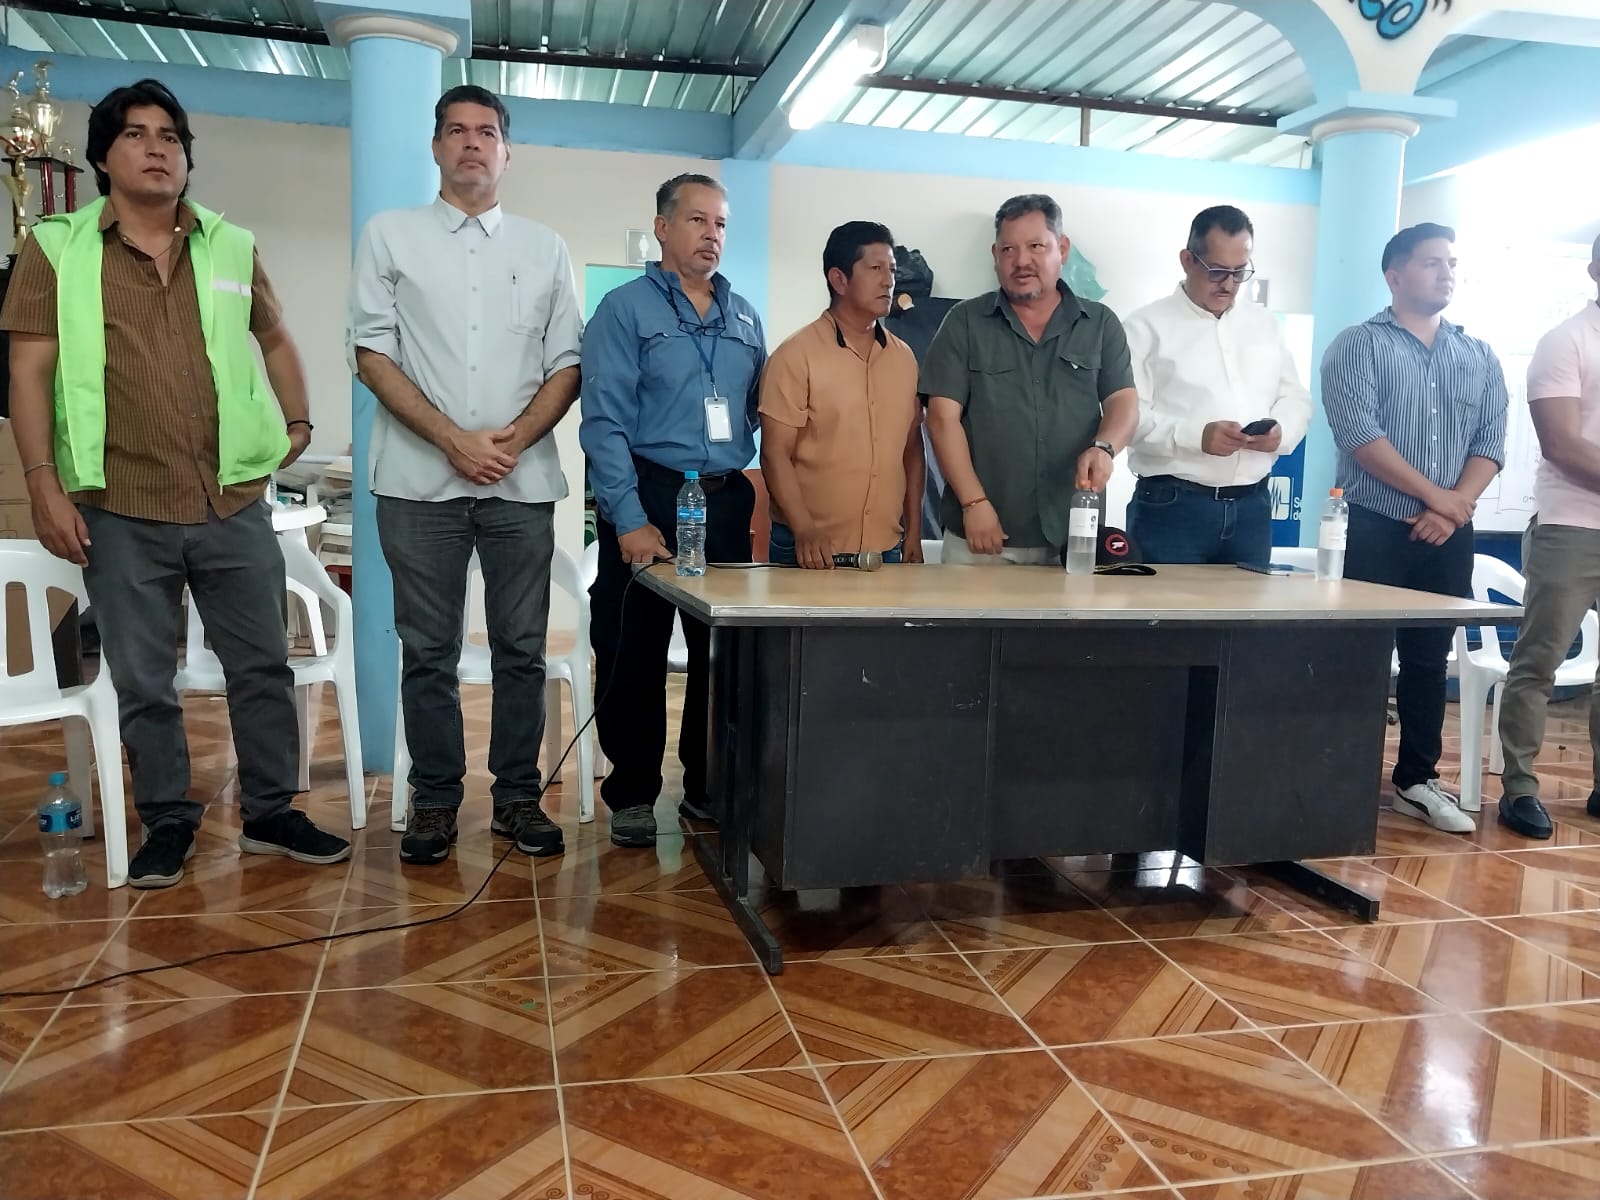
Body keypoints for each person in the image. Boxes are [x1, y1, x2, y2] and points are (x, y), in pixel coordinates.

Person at [1, 79, 349, 887]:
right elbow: (28, 371)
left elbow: (275, 338)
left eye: (171, 137)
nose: (157, 149)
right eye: (136, 134)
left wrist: (298, 424)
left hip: (229, 498)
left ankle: (271, 812)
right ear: (102, 157)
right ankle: (167, 819)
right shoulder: (57, 249)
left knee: (262, 666)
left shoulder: (230, 245)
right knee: (144, 679)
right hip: (119, 503)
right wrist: (43, 484)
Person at [348, 86, 583, 864]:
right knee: (428, 652)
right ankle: (435, 803)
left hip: (520, 480)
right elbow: (371, 352)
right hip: (418, 482)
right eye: (456, 130)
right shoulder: (390, 236)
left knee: (521, 648)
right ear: (436, 148)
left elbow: (568, 362)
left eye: (487, 132)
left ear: (507, 153)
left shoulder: (545, 248)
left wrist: (508, 443)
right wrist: (453, 440)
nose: (472, 143)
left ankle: (517, 798)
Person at [579, 174, 765, 847]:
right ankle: (632, 793)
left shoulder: (744, 316)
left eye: (721, 223)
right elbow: (603, 422)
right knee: (633, 649)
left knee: (723, 656)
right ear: (662, 228)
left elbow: (754, 409)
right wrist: (628, 517)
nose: (711, 234)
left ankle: (708, 785)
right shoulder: (623, 310)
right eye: (696, 220)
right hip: (649, 493)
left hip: (723, 499)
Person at [1323, 222, 1508, 834]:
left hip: (1448, 534)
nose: (1446, 272)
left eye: (1451, 262)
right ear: (1395, 275)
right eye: (1432, 262)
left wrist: (1454, 507)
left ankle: (1416, 781)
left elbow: (1490, 442)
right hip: (1375, 525)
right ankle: (1340, 776)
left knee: (1429, 659)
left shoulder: (1477, 355)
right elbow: (1359, 435)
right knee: (1361, 656)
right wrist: (1439, 499)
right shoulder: (1358, 345)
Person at [922, 194, 1137, 564]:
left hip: (1072, 538)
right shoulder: (964, 322)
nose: (1021, 261)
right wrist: (973, 502)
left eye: (1036, 246)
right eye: (1008, 249)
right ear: (995, 255)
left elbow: (1123, 401)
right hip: (981, 536)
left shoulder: (1100, 324)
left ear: (1062, 249)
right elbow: (942, 419)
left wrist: (1104, 448)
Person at [1124, 205, 1311, 564]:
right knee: (1165, 603)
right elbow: (1127, 418)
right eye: (1217, 271)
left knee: (1250, 604)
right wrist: (1197, 436)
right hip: (1172, 508)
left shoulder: (1264, 325)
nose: (1228, 284)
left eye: (1239, 272)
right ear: (1187, 260)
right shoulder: (1143, 327)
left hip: (1253, 507)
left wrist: (1281, 432)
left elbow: (1295, 397)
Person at [1495, 236, 1600, 840]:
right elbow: (1562, 443)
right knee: (1539, 662)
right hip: (1571, 528)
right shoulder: (1567, 341)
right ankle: (1520, 789)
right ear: (1594, 269)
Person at [759, 221, 923, 568]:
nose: (889, 281)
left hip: (885, 549)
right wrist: (804, 529)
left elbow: (911, 449)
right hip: (808, 549)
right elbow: (775, 454)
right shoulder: (795, 356)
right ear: (839, 279)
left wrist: (914, 531)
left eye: (892, 270)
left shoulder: (904, 359)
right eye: (875, 268)